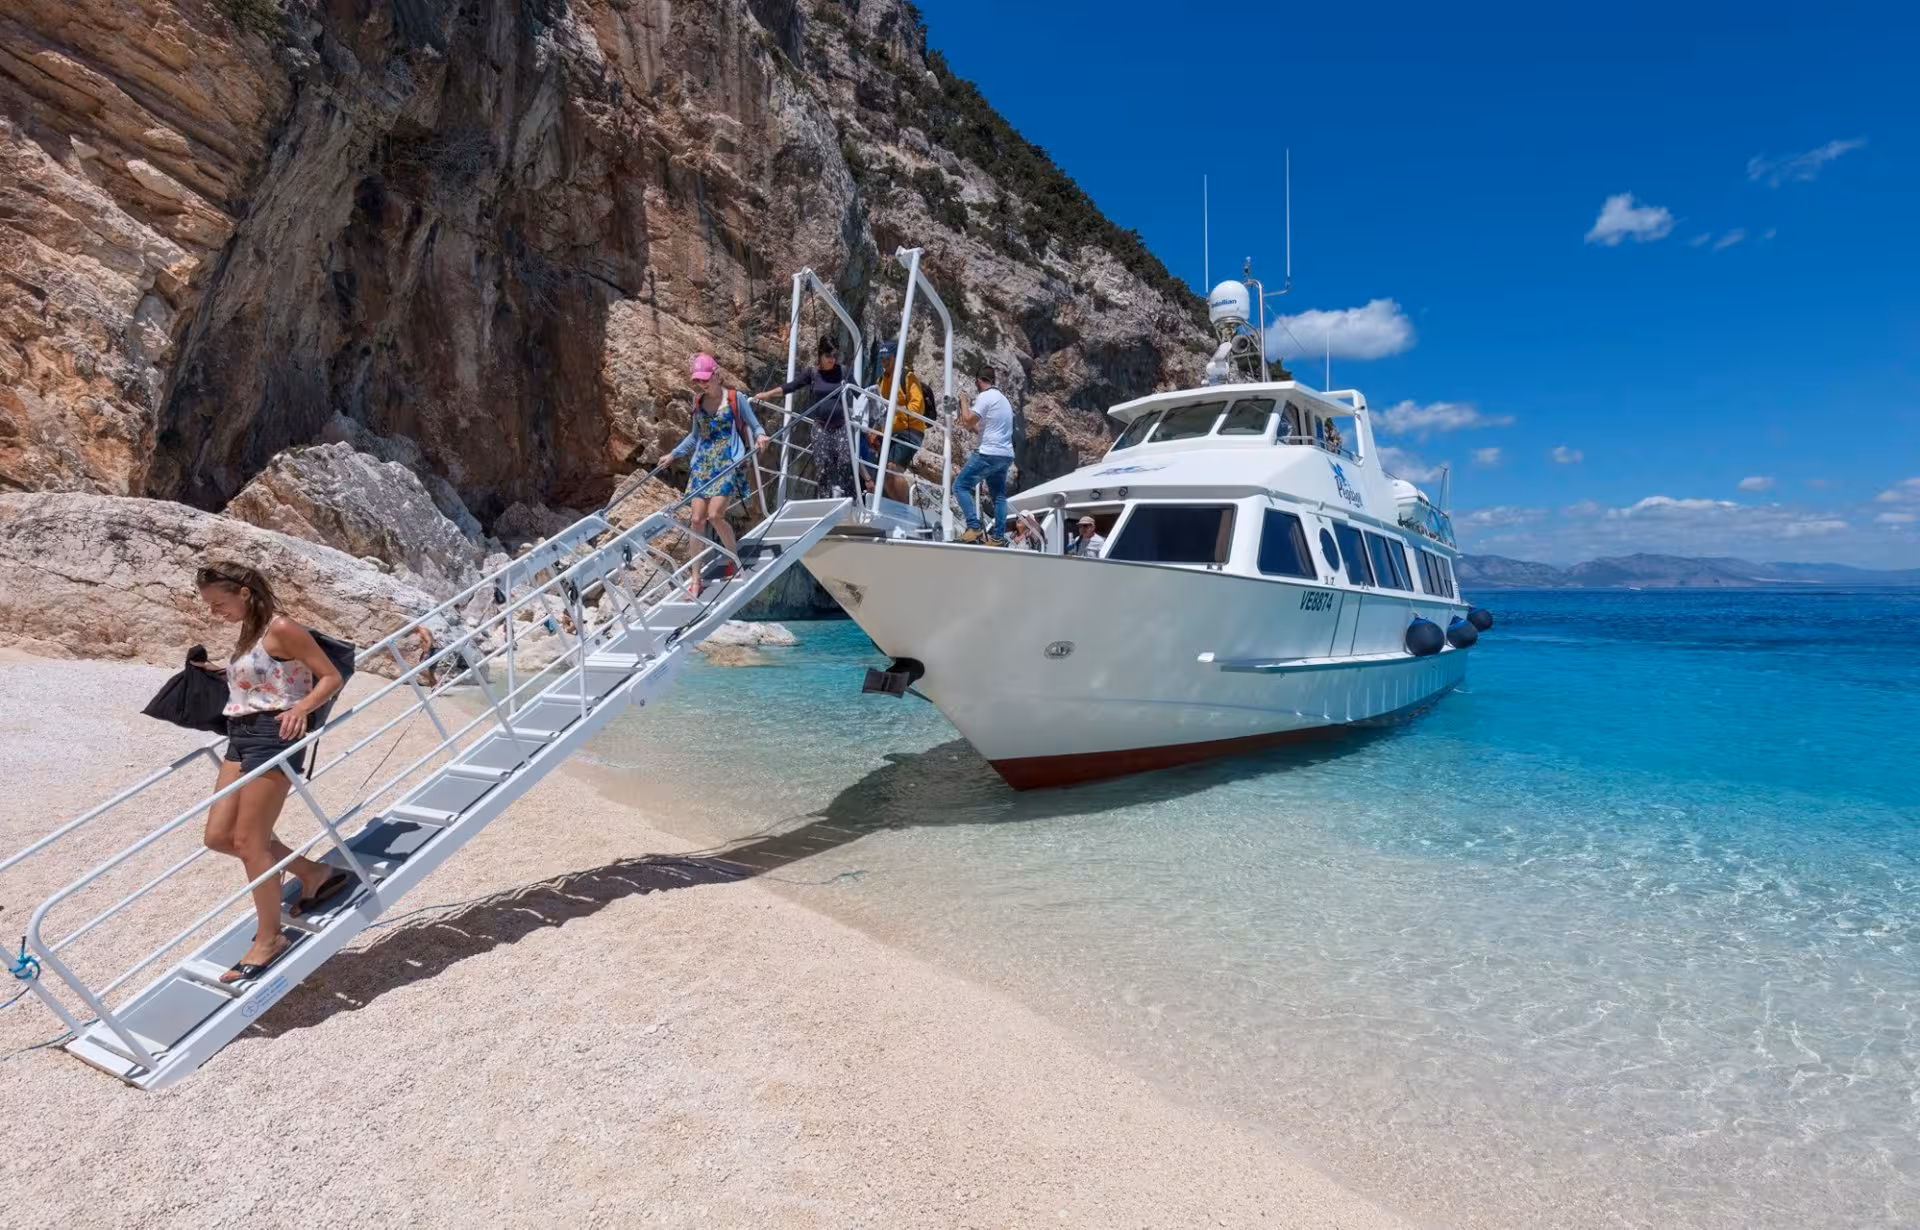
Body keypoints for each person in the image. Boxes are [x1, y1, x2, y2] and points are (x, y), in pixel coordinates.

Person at [194, 563, 354, 984]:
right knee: (218, 837)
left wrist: (301, 708)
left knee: (250, 841)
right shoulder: (250, 632)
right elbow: (265, 678)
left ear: (244, 593)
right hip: (240, 734)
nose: (215, 613)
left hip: (273, 734)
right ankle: (312, 873)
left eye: (218, 603)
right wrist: (216, 671)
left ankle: (270, 937)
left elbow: (330, 676)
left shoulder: (281, 627)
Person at [671, 353, 769, 598]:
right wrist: (673, 454)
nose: (702, 384)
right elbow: (697, 437)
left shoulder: (736, 399)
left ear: (716, 375)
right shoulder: (699, 402)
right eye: (698, 380)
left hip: (727, 463)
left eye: (706, 378)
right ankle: (695, 580)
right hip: (703, 464)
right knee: (696, 520)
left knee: (715, 515)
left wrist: (760, 435)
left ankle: (734, 560)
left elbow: (754, 425)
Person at [753, 335, 851, 497]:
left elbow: (859, 393)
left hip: (841, 425)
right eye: (828, 356)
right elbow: (791, 386)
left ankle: (851, 498)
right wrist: (768, 394)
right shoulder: (812, 373)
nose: (832, 360)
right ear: (820, 354)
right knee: (823, 465)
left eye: (835, 356)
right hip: (821, 426)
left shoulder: (843, 372)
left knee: (845, 463)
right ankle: (824, 501)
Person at [953, 365, 1015, 545]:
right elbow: (980, 428)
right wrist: (969, 426)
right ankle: (998, 537)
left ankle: (974, 527)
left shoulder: (985, 396)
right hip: (1005, 455)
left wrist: (964, 401)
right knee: (999, 496)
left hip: (988, 453)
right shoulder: (1004, 400)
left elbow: (967, 420)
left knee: (960, 486)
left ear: (979, 381)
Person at [862, 340, 927, 503]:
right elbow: (878, 411)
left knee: (891, 468)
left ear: (896, 357)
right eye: (882, 359)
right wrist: (875, 431)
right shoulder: (880, 382)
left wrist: (895, 415)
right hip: (889, 432)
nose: (884, 363)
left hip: (909, 431)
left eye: (887, 359)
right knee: (879, 471)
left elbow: (917, 406)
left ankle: (905, 507)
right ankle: (889, 506)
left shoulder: (908, 377)